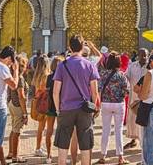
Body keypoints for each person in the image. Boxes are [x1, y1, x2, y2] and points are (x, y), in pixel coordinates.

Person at [53, 35, 101, 165]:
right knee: (85, 147)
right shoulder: (90, 65)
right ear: (82, 48)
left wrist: (58, 110)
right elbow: (95, 92)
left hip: (66, 109)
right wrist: (93, 107)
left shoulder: (62, 65)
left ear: (69, 47)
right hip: (84, 110)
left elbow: (55, 92)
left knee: (62, 148)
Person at [98, 52, 129, 165]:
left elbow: (99, 88)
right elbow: (127, 90)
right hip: (118, 104)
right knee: (118, 130)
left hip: (105, 104)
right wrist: (120, 96)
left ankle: (102, 155)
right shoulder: (121, 75)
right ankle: (120, 157)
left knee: (105, 130)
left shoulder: (103, 74)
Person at [124, 48, 149, 150]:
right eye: (141, 55)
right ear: (137, 55)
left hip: (146, 98)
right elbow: (126, 77)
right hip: (134, 97)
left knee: (144, 120)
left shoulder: (150, 66)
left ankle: (144, 141)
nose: (143, 57)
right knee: (132, 119)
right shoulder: (132, 66)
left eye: (145, 55)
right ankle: (134, 139)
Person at [8, 55, 29, 163]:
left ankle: (11, 152)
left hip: (12, 104)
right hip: (18, 106)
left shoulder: (13, 76)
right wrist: (25, 113)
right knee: (17, 132)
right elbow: (22, 96)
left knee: (13, 129)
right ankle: (15, 156)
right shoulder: (20, 78)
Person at [44, 56, 64, 164]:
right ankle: (62, 155)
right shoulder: (63, 76)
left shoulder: (49, 77)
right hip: (61, 106)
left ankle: (48, 155)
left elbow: (47, 91)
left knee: (49, 131)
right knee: (63, 131)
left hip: (50, 105)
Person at [31, 56, 51, 158]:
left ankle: (38, 147)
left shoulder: (36, 75)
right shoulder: (46, 76)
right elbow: (44, 89)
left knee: (41, 127)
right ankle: (38, 148)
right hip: (45, 103)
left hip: (38, 102)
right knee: (44, 127)